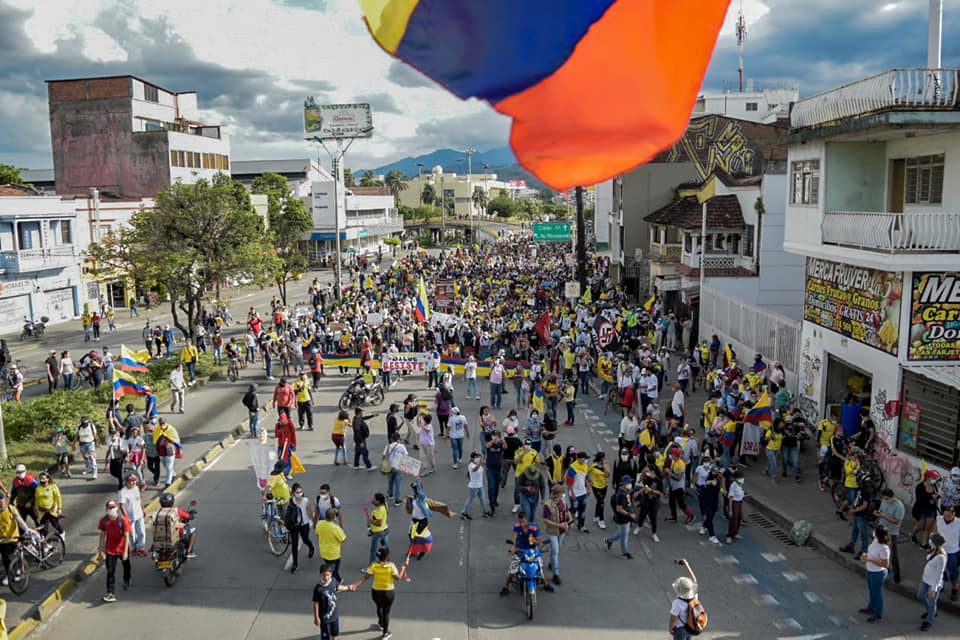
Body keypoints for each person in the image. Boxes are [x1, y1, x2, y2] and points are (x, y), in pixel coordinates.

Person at [348, 546, 406, 640]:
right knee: (386, 612)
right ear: (387, 555)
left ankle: (381, 623)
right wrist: (403, 568)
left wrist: (355, 585)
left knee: (379, 607)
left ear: (378, 556)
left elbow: (365, 577)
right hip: (388, 593)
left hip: (376, 592)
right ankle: (385, 633)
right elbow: (398, 578)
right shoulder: (391, 566)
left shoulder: (374, 565)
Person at [499, 511, 554, 596]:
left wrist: (534, 540)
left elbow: (539, 542)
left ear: (527, 520)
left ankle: (545, 584)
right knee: (512, 570)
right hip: (520, 551)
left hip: (532, 551)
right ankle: (505, 587)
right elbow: (514, 538)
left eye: (523, 522)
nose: (522, 524)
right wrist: (513, 547)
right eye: (520, 522)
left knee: (539, 569)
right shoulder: (517, 526)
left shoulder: (534, 527)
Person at [97, 499, 131, 602]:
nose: (111, 509)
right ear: (106, 509)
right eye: (109, 508)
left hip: (122, 548)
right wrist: (100, 550)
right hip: (110, 550)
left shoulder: (123, 520)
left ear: (116, 508)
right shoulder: (104, 521)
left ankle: (126, 579)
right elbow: (102, 535)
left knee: (126, 566)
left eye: (113, 507)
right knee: (110, 571)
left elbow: (126, 536)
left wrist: (125, 552)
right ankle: (110, 592)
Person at [541, 483, 572, 584]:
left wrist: (570, 520)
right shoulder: (548, 505)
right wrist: (559, 525)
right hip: (552, 532)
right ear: (557, 494)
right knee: (555, 551)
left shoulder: (563, 500)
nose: (563, 495)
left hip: (562, 531)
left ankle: (552, 563)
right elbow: (545, 520)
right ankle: (556, 574)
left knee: (556, 548)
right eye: (561, 493)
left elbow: (567, 511)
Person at [860, 524, 890, 623]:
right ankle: (871, 607)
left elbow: (885, 564)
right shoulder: (875, 541)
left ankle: (878, 614)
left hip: (878, 573)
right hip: (870, 570)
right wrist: (865, 555)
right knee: (872, 591)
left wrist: (869, 560)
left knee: (877, 593)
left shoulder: (884, 548)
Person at [152, 492, 197, 558]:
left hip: (160, 537)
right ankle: (189, 552)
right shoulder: (176, 510)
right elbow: (188, 516)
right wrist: (191, 514)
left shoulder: (158, 512)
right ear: (172, 502)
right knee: (193, 532)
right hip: (177, 534)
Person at [0, 493, 31, 587]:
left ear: (4, 500)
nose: (0, 503)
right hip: (2, 539)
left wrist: (27, 530)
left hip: (13, 537)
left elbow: (20, 521)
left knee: (11, 557)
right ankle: (10, 574)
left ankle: (15, 573)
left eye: (1, 501)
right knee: (5, 559)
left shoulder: (10, 509)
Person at [313, 563, 351, 640]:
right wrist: (316, 617)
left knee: (335, 634)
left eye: (328, 575)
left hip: (334, 616)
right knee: (326, 637)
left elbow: (338, 587)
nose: (326, 577)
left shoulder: (333, 581)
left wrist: (348, 588)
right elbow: (316, 604)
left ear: (331, 574)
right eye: (324, 575)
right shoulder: (318, 588)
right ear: (320, 575)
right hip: (325, 619)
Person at [919, 532, 947, 632]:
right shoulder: (933, 549)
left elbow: (939, 573)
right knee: (920, 596)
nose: (929, 541)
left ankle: (929, 621)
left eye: (931, 539)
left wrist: (934, 589)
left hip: (933, 583)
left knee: (932, 602)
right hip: (926, 579)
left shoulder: (941, 557)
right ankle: (932, 611)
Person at [604, 476, 637, 559]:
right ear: (624, 484)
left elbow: (628, 504)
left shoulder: (626, 492)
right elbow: (619, 509)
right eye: (629, 483)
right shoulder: (621, 495)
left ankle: (609, 540)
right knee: (624, 537)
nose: (630, 484)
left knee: (622, 533)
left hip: (627, 518)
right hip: (622, 519)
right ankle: (625, 553)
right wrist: (629, 515)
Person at [875, 488, 904, 583]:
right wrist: (878, 514)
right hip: (882, 528)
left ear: (892, 497)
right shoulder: (884, 501)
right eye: (884, 498)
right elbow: (881, 510)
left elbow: (897, 521)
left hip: (892, 532)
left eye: (887, 499)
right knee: (881, 551)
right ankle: (885, 568)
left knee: (893, 554)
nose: (885, 500)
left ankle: (897, 574)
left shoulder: (899, 506)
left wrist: (884, 516)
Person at [669, 559, 699, 640]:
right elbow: (694, 580)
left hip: (680, 629)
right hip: (691, 625)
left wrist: (670, 629)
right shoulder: (694, 596)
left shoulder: (678, 603)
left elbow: (673, 619)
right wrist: (687, 565)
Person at [935, 503, 959, 602]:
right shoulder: (939, 519)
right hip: (940, 550)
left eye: (948, 516)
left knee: (953, 572)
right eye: (944, 516)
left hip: (953, 552)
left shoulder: (959, 523)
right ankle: (941, 585)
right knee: (940, 570)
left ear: (954, 515)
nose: (946, 518)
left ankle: (955, 588)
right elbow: (935, 533)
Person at [635, 460, 663, 543]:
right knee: (642, 514)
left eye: (648, 471)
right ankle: (639, 526)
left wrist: (651, 491)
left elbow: (660, 493)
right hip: (646, 499)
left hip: (654, 501)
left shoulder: (659, 481)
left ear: (653, 472)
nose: (647, 472)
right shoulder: (647, 478)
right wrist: (638, 492)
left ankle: (654, 533)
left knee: (653, 518)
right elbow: (645, 487)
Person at [315, 507, 347, 582]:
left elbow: (317, 534)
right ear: (334, 517)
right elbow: (343, 539)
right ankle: (335, 584)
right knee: (333, 571)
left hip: (324, 552)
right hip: (334, 554)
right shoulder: (336, 528)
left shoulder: (319, 523)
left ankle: (339, 579)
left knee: (331, 568)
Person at [911, 470, 940, 547]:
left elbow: (936, 495)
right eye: (933, 478)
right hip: (921, 510)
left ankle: (924, 544)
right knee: (920, 526)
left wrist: (937, 496)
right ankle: (913, 534)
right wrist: (931, 497)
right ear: (927, 477)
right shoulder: (920, 486)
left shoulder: (934, 486)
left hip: (931, 509)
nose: (935, 479)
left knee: (927, 527)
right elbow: (919, 499)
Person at [118, 474, 146, 556]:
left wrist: (143, 510)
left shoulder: (136, 488)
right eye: (131, 481)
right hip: (130, 518)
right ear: (126, 482)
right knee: (132, 534)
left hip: (139, 515)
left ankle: (140, 548)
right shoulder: (122, 492)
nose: (133, 483)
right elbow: (122, 506)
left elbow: (139, 500)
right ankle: (133, 549)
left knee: (141, 532)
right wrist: (126, 518)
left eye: (134, 481)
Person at [153, 419, 181, 487]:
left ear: (166, 423)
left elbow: (176, 440)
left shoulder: (171, 430)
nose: (162, 425)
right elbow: (155, 440)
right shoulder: (157, 430)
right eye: (161, 424)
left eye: (163, 423)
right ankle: (173, 474)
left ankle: (168, 483)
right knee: (165, 466)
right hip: (161, 452)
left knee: (169, 467)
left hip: (170, 452)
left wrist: (179, 448)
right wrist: (155, 449)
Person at [461, 452, 490, 519]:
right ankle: (464, 512)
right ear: (472, 458)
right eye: (476, 457)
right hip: (474, 487)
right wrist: (480, 463)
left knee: (482, 498)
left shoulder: (478, 464)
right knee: (470, 500)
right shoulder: (471, 465)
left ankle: (485, 511)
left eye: (479, 457)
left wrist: (482, 462)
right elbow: (475, 470)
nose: (478, 458)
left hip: (480, 485)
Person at [35, 471, 64, 538]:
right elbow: (37, 499)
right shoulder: (38, 488)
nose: (41, 480)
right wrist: (36, 509)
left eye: (43, 478)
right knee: (44, 527)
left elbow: (58, 497)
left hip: (51, 510)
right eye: (40, 478)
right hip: (42, 511)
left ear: (48, 479)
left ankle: (62, 533)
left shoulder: (53, 486)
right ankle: (45, 540)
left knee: (55, 523)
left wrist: (59, 508)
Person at [485, 430, 504, 515]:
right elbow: (487, 446)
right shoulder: (490, 443)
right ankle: (491, 504)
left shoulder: (500, 443)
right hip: (490, 468)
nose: (495, 437)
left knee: (496, 486)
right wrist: (493, 440)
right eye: (494, 435)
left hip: (498, 468)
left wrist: (503, 440)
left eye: (497, 435)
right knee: (491, 486)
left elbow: (506, 447)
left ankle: (495, 499)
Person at [367, 493, 389, 565]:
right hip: (385, 530)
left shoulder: (378, 511)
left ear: (378, 501)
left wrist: (370, 521)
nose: (372, 499)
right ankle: (386, 561)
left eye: (374, 499)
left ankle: (371, 566)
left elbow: (379, 524)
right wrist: (373, 502)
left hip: (378, 532)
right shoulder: (385, 505)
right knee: (385, 548)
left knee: (374, 550)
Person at [275, 412, 297, 478]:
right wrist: (281, 429)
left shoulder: (290, 424)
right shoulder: (278, 425)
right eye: (281, 421)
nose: (283, 423)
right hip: (281, 446)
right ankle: (280, 473)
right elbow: (276, 435)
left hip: (288, 446)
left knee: (288, 460)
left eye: (284, 421)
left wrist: (294, 444)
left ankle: (286, 473)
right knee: (280, 460)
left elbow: (293, 435)